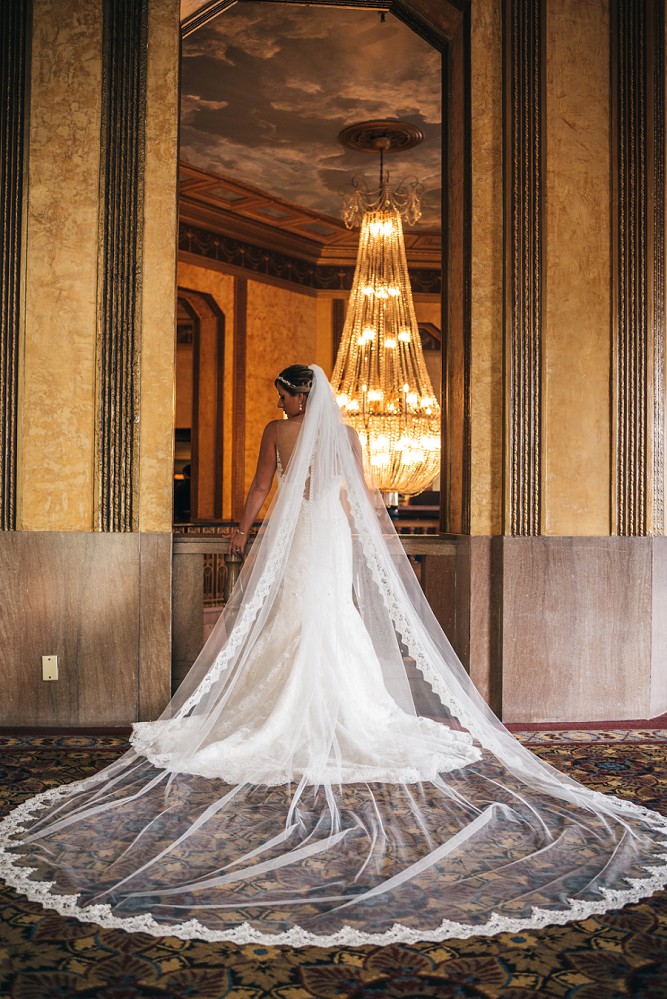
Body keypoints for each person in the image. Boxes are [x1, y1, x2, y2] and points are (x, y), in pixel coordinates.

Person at [1, 363, 667, 948]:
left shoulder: (277, 431)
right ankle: (342, 705)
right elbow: (364, 496)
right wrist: (381, 539)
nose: (285, 403)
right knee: (327, 616)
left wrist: (239, 530)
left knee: (297, 617)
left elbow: (261, 488)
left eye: (285, 394)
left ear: (296, 395)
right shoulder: (345, 436)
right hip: (332, 532)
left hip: (296, 535)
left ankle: (290, 704)